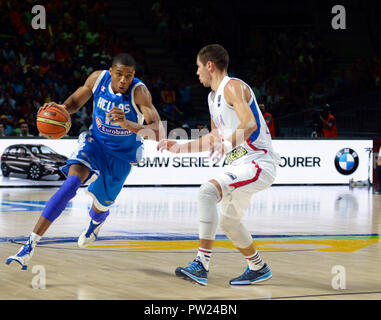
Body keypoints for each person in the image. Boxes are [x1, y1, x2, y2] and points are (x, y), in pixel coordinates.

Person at [6, 53, 164, 270]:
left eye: (128, 76)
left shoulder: (139, 92)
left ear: (133, 75)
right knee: (70, 184)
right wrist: (60, 109)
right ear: (111, 72)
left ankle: (96, 222)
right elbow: (74, 102)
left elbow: (158, 130)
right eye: (119, 74)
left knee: (99, 207)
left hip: (121, 156)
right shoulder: (98, 79)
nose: (123, 81)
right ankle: (29, 245)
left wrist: (127, 123)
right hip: (94, 143)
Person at [158, 44, 280, 286]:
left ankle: (201, 264)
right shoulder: (212, 97)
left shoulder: (233, 86)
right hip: (239, 165)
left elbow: (250, 124)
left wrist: (226, 145)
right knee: (228, 222)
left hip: (258, 162)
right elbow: (214, 136)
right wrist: (181, 147)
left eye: (198, 67)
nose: (197, 72)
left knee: (207, 192)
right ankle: (258, 267)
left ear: (209, 65)